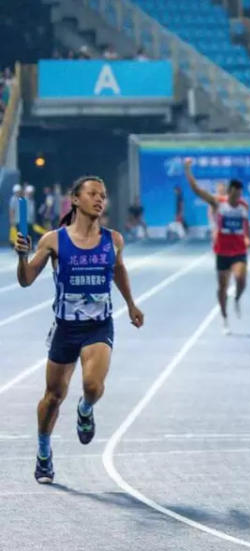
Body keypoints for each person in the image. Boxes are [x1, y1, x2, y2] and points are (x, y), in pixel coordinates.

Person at [13, 176, 144, 483]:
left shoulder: (113, 240)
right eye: (93, 194)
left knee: (92, 386)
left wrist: (132, 304)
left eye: (104, 195)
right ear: (75, 200)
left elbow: (118, 270)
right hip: (65, 329)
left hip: (98, 326)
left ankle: (86, 408)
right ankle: (44, 451)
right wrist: (22, 256)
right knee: (53, 396)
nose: (100, 199)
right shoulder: (54, 240)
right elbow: (25, 279)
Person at [184, 159, 250, 334]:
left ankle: (237, 297)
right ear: (229, 194)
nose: (237, 199)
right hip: (222, 251)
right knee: (222, 287)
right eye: (234, 196)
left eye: (239, 196)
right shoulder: (218, 203)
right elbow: (197, 190)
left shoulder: (244, 206)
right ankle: (224, 317)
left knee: (241, 279)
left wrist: (247, 237)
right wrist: (187, 170)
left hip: (239, 251)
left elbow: (246, 225)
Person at [7, 183, 22, 247]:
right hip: (15, 219)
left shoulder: (20, 198)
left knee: (19, 233)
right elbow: (11, 210)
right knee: (15, 232)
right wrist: (11, 219)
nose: (18, 193)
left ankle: (18, 244)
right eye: (17, 192)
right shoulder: (13, 199)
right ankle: (14, 244)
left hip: (19, 219)